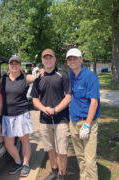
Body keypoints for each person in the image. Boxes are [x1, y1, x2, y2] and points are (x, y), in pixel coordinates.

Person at [31, 48, 71, 180]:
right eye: (45, 58)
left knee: (62, 150)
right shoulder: (38, 78)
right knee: (50, 148)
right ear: (42, 60)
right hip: (44, 119)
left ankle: (62, 174)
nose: (48, 60)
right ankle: (54, 171)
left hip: (61, 119)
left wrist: (56, 109)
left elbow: (68, 96)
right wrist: (43, 108)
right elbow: (34, 98)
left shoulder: (63, 74)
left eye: (50, 57)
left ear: (54, 59)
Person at [66, 48, 100, 180]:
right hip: (74, 122)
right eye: (70, 59)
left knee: (90, 160)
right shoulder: (70, 76)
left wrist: (87, 125)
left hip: (88, 122)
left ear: (81, 59)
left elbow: (94, 102)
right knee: (80, 156)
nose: (72, 61)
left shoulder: (90, 76)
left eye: (75, 58)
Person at [0, 56, 35, 177]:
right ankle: (18, 162)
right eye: (11, 64)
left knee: (24, 140)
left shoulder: (26, 78)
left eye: (16, 63)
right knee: (8, 142)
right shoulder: (3, 79)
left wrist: (41, 73)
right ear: (9, 66)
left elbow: (38, 78)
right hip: (7, 116)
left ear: (20, 66)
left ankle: (26, 164)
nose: (14, 65)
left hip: (21, 114)